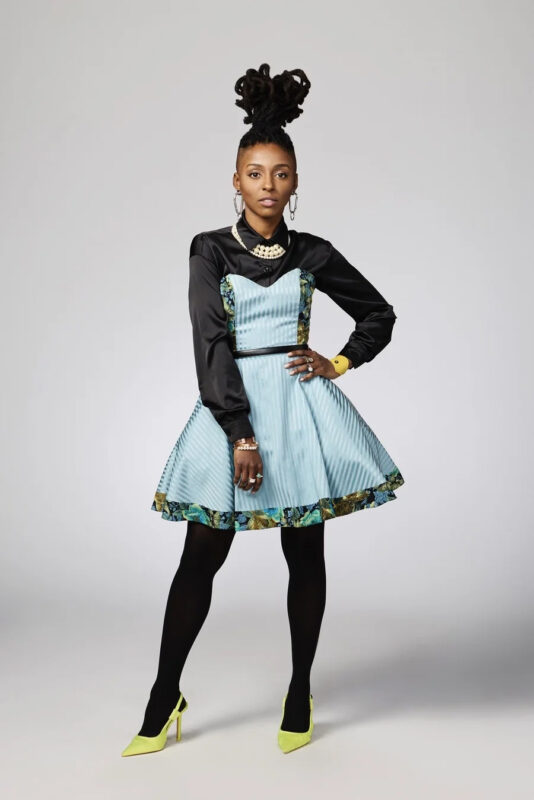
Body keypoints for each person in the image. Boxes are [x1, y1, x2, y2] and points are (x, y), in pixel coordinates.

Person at [122, 62, 405, 757]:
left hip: (302, 412)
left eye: (281, 174)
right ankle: (164, 696)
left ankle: (300, 687)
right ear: (235, 179)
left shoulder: (313, 253)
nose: (268, 187)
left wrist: (335, 363)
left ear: (296, 181)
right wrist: (240, 433)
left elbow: (378, 313)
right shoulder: (210, 250)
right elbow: (210, 340)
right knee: (201, 557)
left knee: (305, 552)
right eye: (255, 173)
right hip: (233, 413)